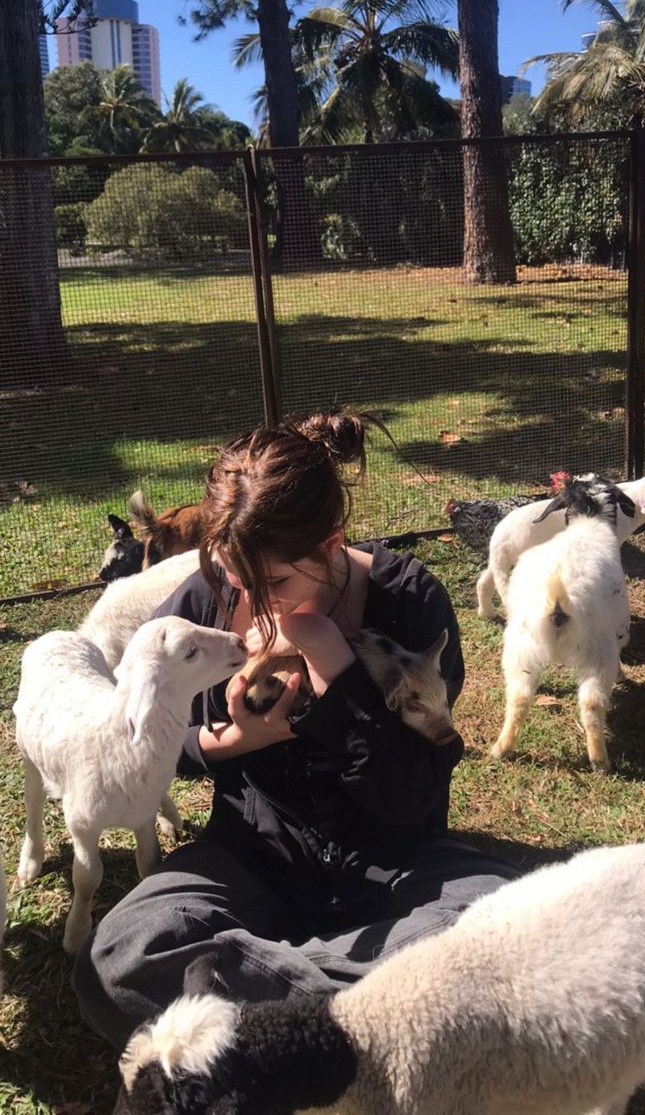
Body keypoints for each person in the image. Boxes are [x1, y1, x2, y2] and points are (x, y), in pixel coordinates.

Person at [73, 412, 520, 1050]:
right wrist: (234, 742)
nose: (250, 609)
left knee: (497, 926)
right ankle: (376, 1014)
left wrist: (337, 672)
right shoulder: (202, 608)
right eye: (235, 580)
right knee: (116, 960)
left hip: (396, 860)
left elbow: (412, 796)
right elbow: (153, 739)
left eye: (277, 582)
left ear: (333, 543)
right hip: (254, 859)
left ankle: (273, 1017)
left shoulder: (408, 599)